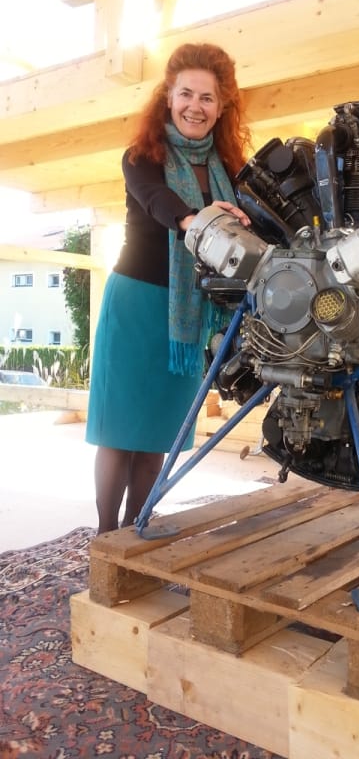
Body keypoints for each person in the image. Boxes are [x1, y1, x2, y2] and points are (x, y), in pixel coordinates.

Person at [86, 43, 252, 534]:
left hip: (190, 313)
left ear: (221, 107)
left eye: (207, 97)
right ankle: (106, 535)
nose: (194, 107)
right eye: (186, 94)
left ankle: (136, 529)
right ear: (169, 97)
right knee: (120, 431)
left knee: (157, 433)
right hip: (136, 304)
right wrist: (195, 219)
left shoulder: (230, 169)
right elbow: (158, 201)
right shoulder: (142, 157)